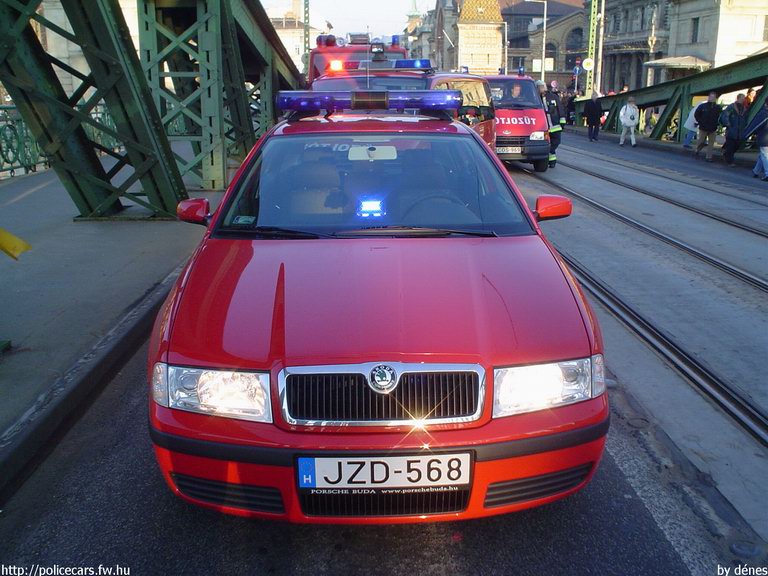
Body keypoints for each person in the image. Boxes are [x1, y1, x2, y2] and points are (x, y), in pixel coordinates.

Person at [539, 79, 565, 167]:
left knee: (556, 142)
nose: (541, 89)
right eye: (539, 87)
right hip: (544, 127)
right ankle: (552, 161)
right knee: (547, 143)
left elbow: (560, 109)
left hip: (555, 125)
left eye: (542, 87)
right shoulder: (536, 98)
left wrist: (562, 122)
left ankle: (549, 155)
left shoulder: (553, 97)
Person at [720, 94, 748, 167]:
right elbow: (725, 116)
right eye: (742, 98)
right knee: (731, 146)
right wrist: (728, 124)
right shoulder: (731, 107)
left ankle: (726, 154)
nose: (743, 100)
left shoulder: (744, 108)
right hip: (732, 130)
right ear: (738, 98)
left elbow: (745, 118)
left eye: (744, 98)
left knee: (737, 145)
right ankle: (730, 161)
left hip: (739, 131)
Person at [694, 91, 722, 162]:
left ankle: (709, 157)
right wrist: (700, 122)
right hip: (703, 127)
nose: (712, 98)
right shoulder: (702, 106)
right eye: (711, 97)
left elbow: (720, 116)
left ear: (715, 98)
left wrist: (718, 124)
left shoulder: (718, 107)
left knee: (711, 143)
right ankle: (697, 150)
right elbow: (696, 114)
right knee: (701, 141)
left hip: (713, 128)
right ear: (708, 97)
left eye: (713, 97)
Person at [745, 99, 768, 181]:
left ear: (766, 104)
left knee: (765, 155)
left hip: (764, 138)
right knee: (763, 155)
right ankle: (756, 171)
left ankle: (767, 173)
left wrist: (745, 134)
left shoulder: (764, 113)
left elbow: (755, 125)